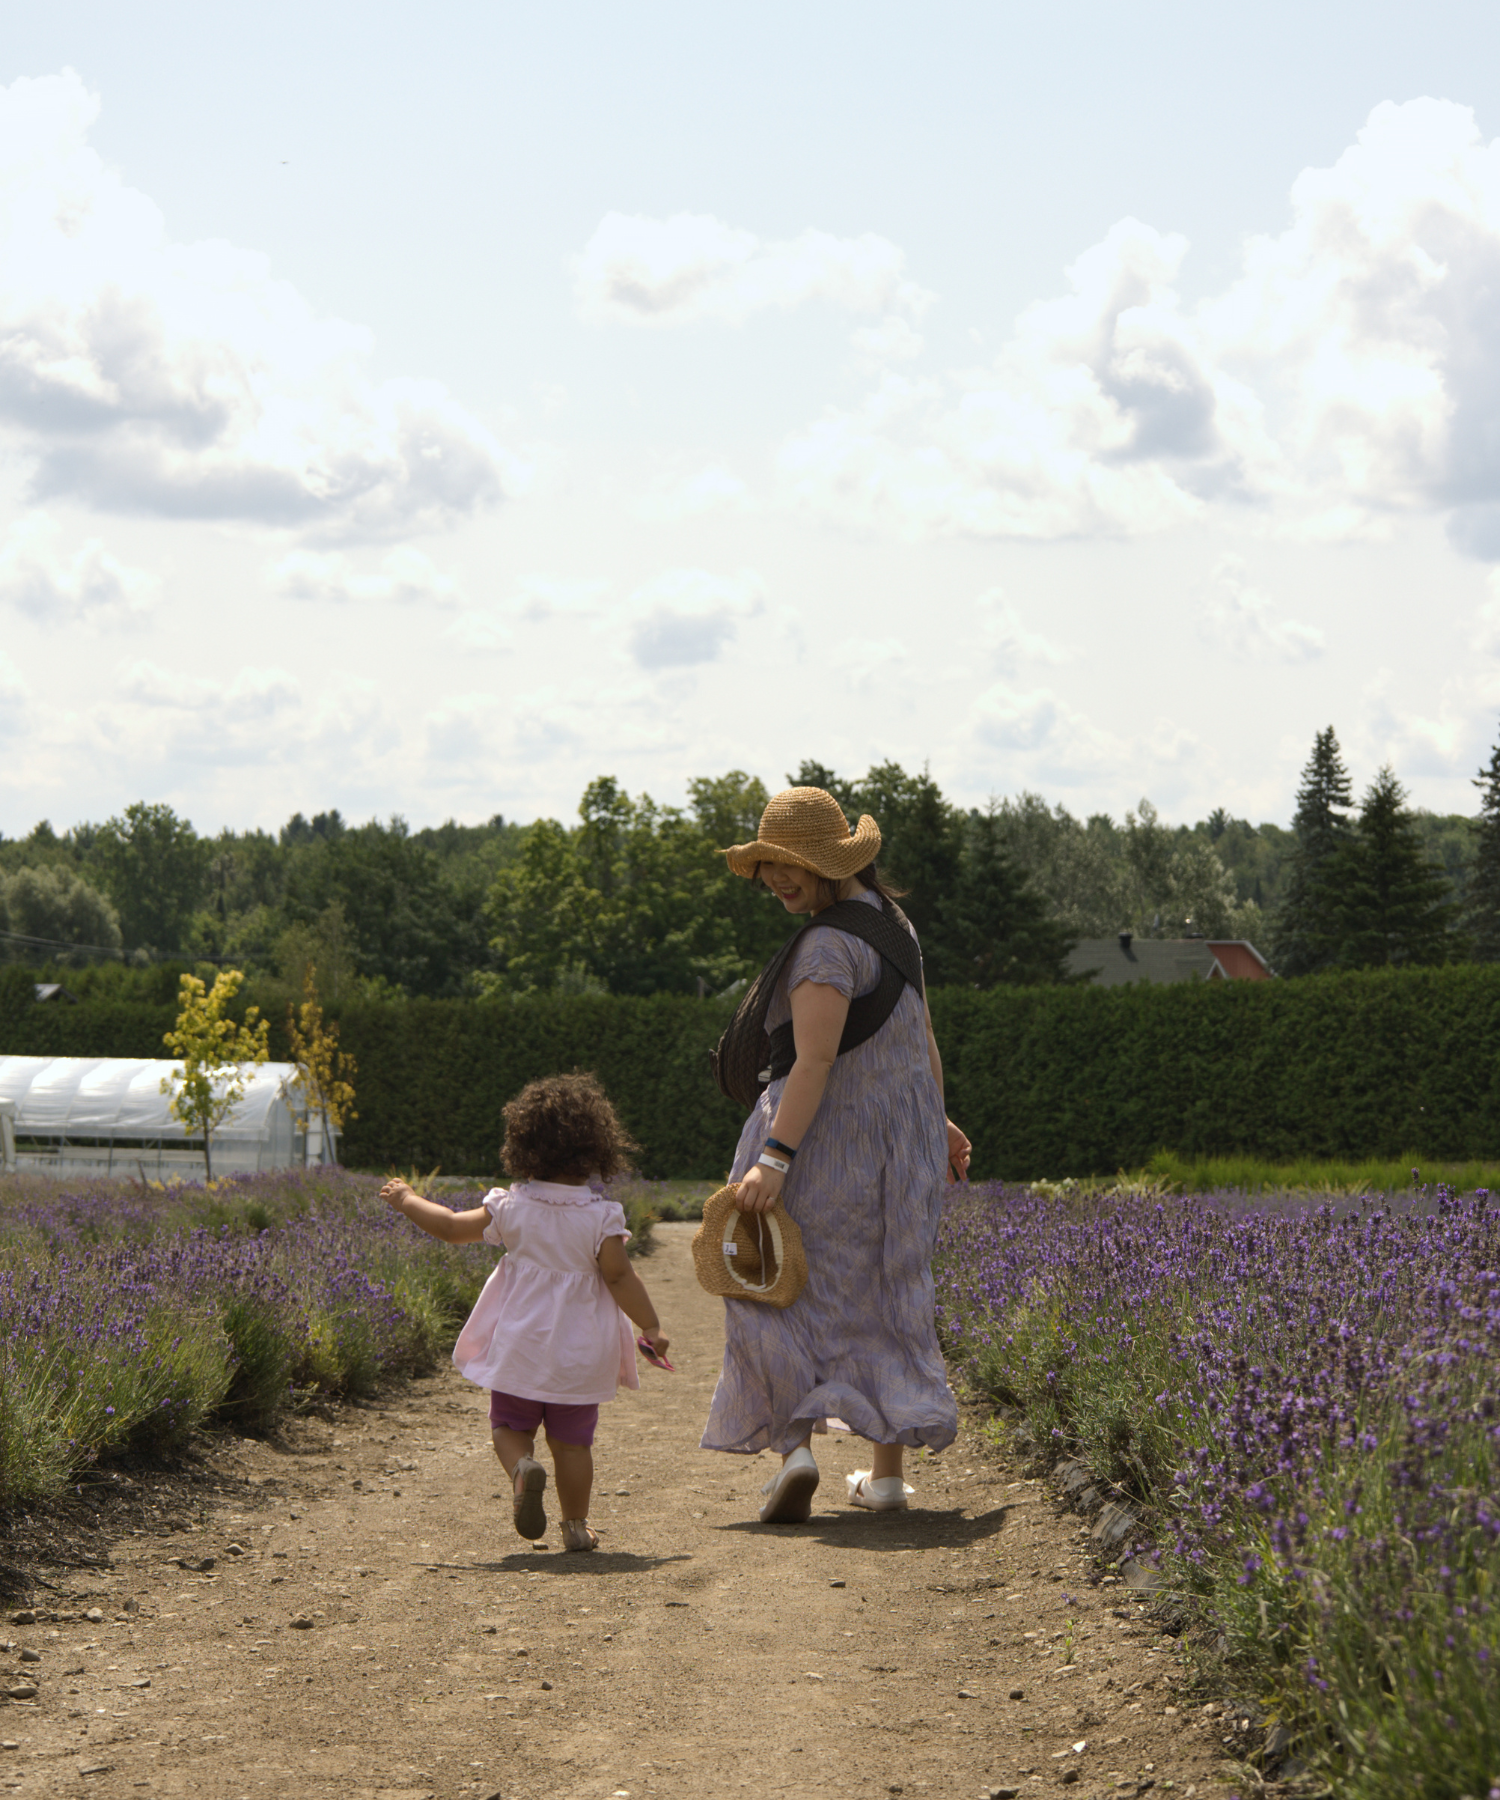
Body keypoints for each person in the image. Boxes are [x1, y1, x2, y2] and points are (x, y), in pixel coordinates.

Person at [701, 785, 971, 1523]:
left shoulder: (824, 946)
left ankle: (794, 1453)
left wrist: (776, 1157)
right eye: (768, 866)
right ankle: (885, 1480)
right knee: (888, 1292)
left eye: (791, 865)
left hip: (818, 1142)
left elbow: (813, 1062)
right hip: (899, 1143)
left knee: (768, 1280)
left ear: (831, 861)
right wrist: (937, 1121)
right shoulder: (896, 925)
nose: (776, 880)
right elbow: (920, 1037)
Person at [380, 1072, 669, 1552]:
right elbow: (620, 1278)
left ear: (522, 1146)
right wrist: (651, 1325)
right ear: (598, 1149)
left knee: (509, 1428)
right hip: (580, 1355)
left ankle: (520, 1469)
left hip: (521, 1346)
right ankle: (575, 1527)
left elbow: (452, 1229)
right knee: (574, 1444)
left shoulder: (511, 1207)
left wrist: (408, 1199)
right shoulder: (601, 1217)